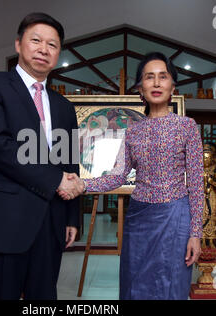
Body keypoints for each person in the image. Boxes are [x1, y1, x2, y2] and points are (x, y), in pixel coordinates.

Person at [59, 52, 204, 300]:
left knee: (170, 286)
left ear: (172, 86)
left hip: (175, 218)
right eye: (149, 77)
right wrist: (82, 184)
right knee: (134, 285)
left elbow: (197, 183)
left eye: (163, 77)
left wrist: (195, 233)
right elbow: (116, 176)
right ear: (140, 87)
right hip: (139, 220)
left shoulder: (187, 126)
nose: (157, 83)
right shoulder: (133, 131)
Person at [0, 12, 83, 300]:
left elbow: (69, 162)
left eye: (53, 45)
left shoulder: (64, 106)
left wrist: (72, 217)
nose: (44, 49)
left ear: (58, 54)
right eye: (36, 40)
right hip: (3, 221)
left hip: (51, 223)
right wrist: (56, 179)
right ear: (18, 44)